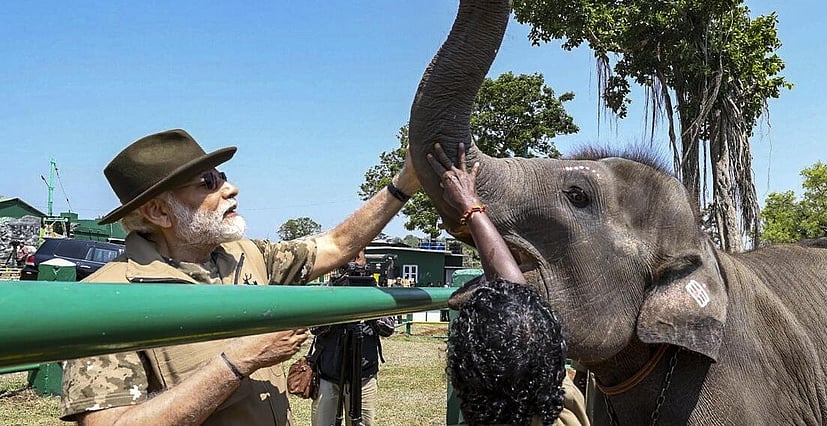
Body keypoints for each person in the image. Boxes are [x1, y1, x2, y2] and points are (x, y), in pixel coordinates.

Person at [59, 129, 419, 426]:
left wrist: (404, 183)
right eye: (207, 183)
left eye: (224, 177)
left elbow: (336, 245)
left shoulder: (249, 256)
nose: (231, 189)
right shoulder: (104, 298)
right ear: (158, 211)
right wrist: (238, 362)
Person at [428, 143, 589, 426]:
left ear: (460, 378)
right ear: (553, 371)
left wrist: (469, 210)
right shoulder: (565, 415)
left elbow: (515, 292)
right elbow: (516, 292)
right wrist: (473, 208)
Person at [308, 276, 395, 426]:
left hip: (364, 375)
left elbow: (388, 328)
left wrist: (369, 305)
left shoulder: (375, 291)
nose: (353, 263)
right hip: (328, 373)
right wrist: (336, 302)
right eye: (350, 258)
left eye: (357, 257)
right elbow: (314, 327)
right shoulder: (327, 289)